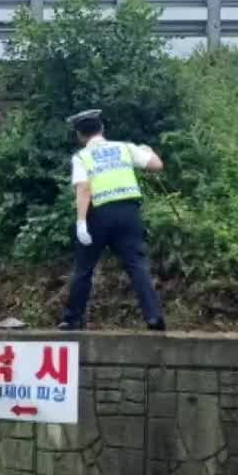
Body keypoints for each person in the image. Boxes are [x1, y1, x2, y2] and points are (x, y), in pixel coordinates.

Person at [59, 109, 167, 332]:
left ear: (80, 135)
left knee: (84, 268)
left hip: (97, 216)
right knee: (137, 266)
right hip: (128, 213)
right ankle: (154, 317)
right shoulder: (124, 148)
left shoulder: (81, 157)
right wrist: (148, 150)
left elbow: (84, 188)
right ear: (102, 129)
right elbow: (156, 165)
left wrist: (81, 222)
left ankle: (72, 320)